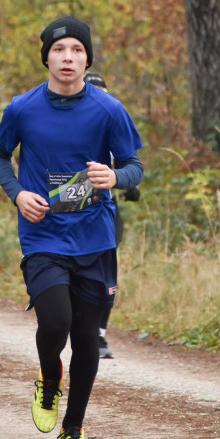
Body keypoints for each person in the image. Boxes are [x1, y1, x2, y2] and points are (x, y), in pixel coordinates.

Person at [0, 16, 143, 439]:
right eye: (59, 50)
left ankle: (73, 430)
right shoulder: (22, 108)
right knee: (54, 322)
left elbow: (134, 165)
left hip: (94, 238)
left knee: (87, 336)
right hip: (42, 236)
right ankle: (49, 379)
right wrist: (18, 194)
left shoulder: (109, 110)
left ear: (87, 57)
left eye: (76, 49)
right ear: (47, 58)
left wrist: (114, 175)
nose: (68, 57)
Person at [83, 71, 141, 359]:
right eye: (94, 93)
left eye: (104, 95)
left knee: (107, 271)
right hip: (66, 213)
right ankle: (77, 326)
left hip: (104, 208)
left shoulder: (112, 120)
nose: (100, 100)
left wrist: (129, 184)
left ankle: (100, 336)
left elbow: (127, 161)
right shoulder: (71, 122)